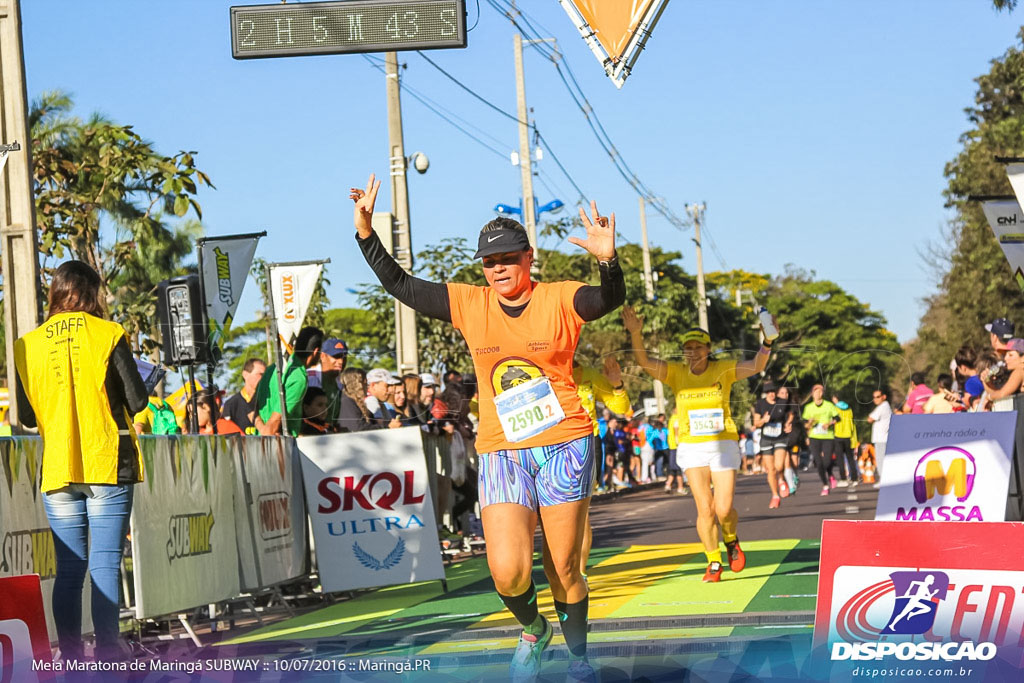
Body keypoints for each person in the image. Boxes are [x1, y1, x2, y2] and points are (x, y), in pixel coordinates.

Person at [352, 173, 623, 682]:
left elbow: (606, 301)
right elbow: (401, 285)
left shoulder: (560, 299)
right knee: (506, 572)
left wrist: (609, 262)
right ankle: (535, 629)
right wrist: (366, 232)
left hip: (563, 442)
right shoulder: (471, 304)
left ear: (527, 260)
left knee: (563, 567)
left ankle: (580, 661)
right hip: (502, 451)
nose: (497, 268)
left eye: (506, 259)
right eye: (489, 262)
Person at [14, 260, 148, 661]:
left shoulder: (27, 344)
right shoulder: (108, 334)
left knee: (69, 572)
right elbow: (138, 401)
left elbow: (25, 415)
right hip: (107, 461)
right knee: (105, 567)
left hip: (58, 468)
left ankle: (70, 659)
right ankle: (109, 655)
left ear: (55, 291)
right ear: (92, 293)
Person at [623, 305, 774, 584]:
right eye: (687, 347)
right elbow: (643, 362)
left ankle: (730, 539)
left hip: (723, 443)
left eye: (697, 346)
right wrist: (635, 333)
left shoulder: (724, 369)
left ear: (708, 349)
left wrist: (766, 342)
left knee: (723, 509)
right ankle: (713, 561)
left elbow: (756, 366)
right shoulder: (676, 373)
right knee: (704, 508)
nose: (691, 351)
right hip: (692, 446)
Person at [255, 326, 323, 436]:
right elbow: (272, 428)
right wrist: (266, 431)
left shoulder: (272, 369)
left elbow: (251, 409)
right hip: (277, 447)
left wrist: (261, 428)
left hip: (258, 441)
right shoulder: (299, 378)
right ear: (316, 351)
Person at [753, 381, 793, 508]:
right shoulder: (760, 404)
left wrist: (788, 423)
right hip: (766, 439)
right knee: (770, 469)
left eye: (773, 392)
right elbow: (756, 423)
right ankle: (775, 495)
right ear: (765, 393)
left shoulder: (782, 402)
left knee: (779, 465)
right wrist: (763, 420)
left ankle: (781, 479)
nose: (771, 394)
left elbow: (791, 414)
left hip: (780, 437)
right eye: (768, 392)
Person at [802, 384, 840, 495]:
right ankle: (825, 485)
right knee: (818, 463)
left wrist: (829, 423)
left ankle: (831, 475)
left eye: (820, 391)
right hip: (814, 437)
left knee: (827, 462)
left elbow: (837, 418)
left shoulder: (829, 405)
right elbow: (805, 424)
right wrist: (809, 423)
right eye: (816, 391)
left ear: (822, 393)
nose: (818, 393)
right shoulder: (808, 407)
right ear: (812, 394)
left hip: (827, 437)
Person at [307, 338, 348, 424]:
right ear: (322, 356)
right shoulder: (311, 379)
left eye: (344, 357)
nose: (341, 361)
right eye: (336, 357)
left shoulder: (339, 383)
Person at [221, 358, 266, 433]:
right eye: (260, 374)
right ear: (245, 374)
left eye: (265, 375)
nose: (263, 378)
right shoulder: (231, 405)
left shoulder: (268, 401)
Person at [831, 393, 860, 486]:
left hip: (838, 435)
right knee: (850, 458)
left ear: (836, 399)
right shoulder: (849, 409)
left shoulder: (835, 408)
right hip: (848, 435)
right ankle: (854, 478)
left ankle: (843, 479)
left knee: (840, 459)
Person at [337, 367, 377, 432]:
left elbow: (372, 423)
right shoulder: (347, 401)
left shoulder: (355, 402)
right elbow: (357, 428)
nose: (367, 384)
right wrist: (387, 426)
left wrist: (387, 424)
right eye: (363, 380)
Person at [867, 389, 893, 486]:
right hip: (882, 438)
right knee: (881, 460)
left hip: (881, 439)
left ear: (883, 396)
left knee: (880, 460)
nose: (875, 399)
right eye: (874, 397)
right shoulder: (884, 406)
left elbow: (870, 419)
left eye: (878, 397)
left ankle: (883, 480)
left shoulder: (882, 407)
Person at [665, 408, 689, 495]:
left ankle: (668, 485)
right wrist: (679, 444)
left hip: (672, 446)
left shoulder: (672, 418)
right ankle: (680, 487)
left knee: (673, 468)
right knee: (678, 468)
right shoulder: (676, 419)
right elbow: (676, 432)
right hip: (676, 446)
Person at [955, 346, 984, 411]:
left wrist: (961, 402)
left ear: (963, 368)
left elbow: (974, 403)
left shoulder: (970, 383)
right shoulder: (983, 375)